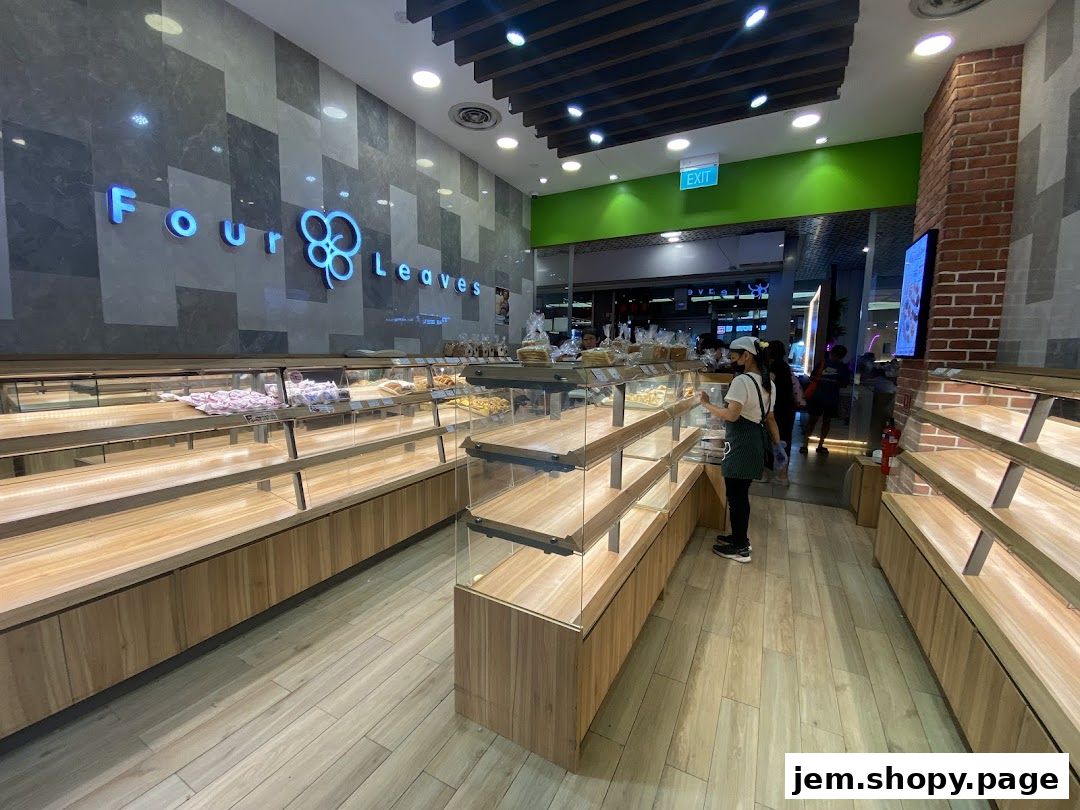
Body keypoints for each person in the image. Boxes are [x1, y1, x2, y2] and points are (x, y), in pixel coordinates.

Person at [698, 336, 783, 563]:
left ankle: (740, 546)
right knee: (739, 494)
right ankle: (737, 537)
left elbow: (732, 415)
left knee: (736, 496)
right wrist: (778, 446)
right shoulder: (769, 383)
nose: (731, 357)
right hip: (755, 440)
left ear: (747, 356)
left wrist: (706, 404)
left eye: (735, 353)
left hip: (741, 443)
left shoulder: (742, 382)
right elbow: (771, 419)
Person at [800, 344, 852, 455]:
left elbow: (812, 377)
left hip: (818, 396)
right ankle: (820, 445)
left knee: (812, 421)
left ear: (832, 352)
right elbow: (844, 383)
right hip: (832, 398)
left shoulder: (823, 363)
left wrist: (822, 379)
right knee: (826, 422)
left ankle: (805, 444)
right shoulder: (843, 368)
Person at [766, 340, 801, 485]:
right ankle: (783, 474)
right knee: (784, 439)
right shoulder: (785, 365)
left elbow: (769, 386)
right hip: (788, 408)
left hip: (779, 408)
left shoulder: (775, 366)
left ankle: (782, 475)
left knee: (778, 440)